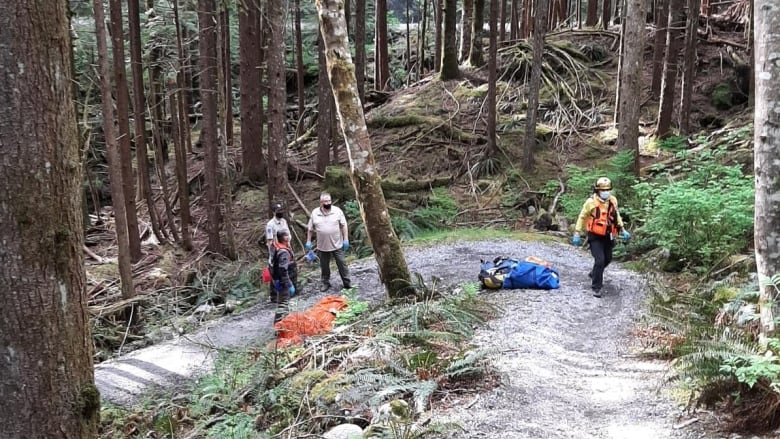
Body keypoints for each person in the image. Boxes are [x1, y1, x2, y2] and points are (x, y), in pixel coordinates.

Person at [572, 177, 631, 298]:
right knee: (599, 260)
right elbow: (582, 217)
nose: (606, 192)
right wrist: (577, 232)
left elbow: (616, 215)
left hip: (608, 235)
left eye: (608, 189)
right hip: (595, 236)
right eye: (603, 190)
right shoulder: (591, 203)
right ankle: (596, 287)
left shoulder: (612, 201)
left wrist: (623, 229)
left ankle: (594, 273)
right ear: (598, 190)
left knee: (608, 259)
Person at [306, 193, 351, 292]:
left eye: (329, 201)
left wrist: (346, 239)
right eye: (325, 201)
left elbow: (344, 225)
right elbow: (310, 229)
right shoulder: (315, 213)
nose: (327, 203)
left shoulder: (337, 211)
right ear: (321, 202)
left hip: (337, 244)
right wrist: (308, 241)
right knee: (324, 266)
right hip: (322, 246)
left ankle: (347, 282)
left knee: (342, 263)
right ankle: (325, 283)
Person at [270, 229, 297, 322]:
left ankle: (285, 320)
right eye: (288, 235)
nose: (290, 236)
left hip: (276, 279)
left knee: (282, 301)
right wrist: (289, 284)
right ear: (285, 238)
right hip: (283, 281)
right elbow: (283, 269)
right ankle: (279, 325)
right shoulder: (283, 252)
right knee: (283, 303)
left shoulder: (275, 245)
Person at [265, 202, 288, 301]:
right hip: (276, 251)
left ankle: (285, 290)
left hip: (285, 248)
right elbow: (270, 241)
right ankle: (274, 295)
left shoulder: (284, 222)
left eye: (282, 210)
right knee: (275, 272)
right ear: (274, 212)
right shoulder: (270, 225)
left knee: (285, 270)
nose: (281, 212)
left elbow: (288, 235)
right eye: (279, 211)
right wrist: (273, 254)